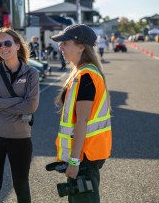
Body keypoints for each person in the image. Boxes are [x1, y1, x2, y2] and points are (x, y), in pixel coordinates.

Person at [51, 24, 112, 203]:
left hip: (85, 155)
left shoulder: (86, 76)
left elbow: (82, 121)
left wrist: (74, 161)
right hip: (87, 153)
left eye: (65, 43)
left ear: (81, 47)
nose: (60, 47)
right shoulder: (80, 72)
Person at [0, 27, 40, 203]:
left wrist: (0, 102)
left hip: (20, 137)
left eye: (7, 43)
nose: (3, 47)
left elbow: (31, 105)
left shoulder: (31, 73)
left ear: (17, 46)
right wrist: (18, 100)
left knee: (21, 185)